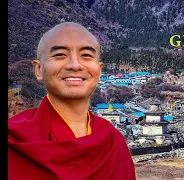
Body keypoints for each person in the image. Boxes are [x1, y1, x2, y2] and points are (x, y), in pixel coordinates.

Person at [8, 22, 136, 180]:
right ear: (39, 69)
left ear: (99, 70)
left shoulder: (113, 142)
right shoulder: (14, 141)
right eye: (60, 54)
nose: (75, 65)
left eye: (87, 56)